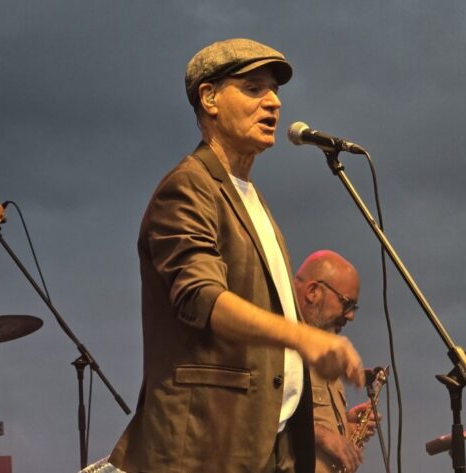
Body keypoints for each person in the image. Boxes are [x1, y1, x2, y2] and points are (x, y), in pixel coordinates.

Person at [108, 38, 365, 473]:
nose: (273, 104)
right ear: (209, 98)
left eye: (275, 92)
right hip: (207, 447)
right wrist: (302, 335)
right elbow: (201, 297)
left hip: (266, 446)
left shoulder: (252, 200)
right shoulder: (188, 187)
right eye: (253, 89)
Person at [293, 250, 377, 473]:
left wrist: (344, 427)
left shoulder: (326, 352)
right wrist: (319, 434)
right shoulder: (275, 344)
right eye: (347, 304)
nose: (350, 316)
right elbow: (255, 419)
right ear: (313, 292)